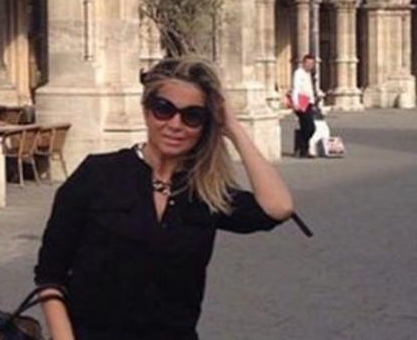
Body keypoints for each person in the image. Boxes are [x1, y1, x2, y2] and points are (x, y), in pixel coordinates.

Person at [34, 56, 296, 340]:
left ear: (206, 124)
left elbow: (278, 208)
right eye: (164, 109)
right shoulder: (98, 175)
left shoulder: (205, 192)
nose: (175, 124)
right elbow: (50, 274)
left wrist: (233, 127)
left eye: (192, 116)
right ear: (146, 111)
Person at [291, 54, 318, 157]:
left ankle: (302, 149)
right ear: (303, 63)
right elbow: (296, 88)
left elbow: (311, 89)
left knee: (305, 126)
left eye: (311, 63)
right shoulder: (299, 73)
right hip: (302, 101)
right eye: (308, 63)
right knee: (310, 127)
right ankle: (302, 148)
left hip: (309, 102)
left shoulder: (311, 74)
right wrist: (295, 103)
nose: (309, 65)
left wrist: (314, 101)